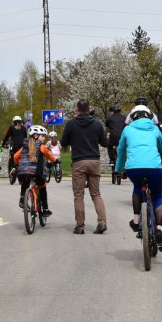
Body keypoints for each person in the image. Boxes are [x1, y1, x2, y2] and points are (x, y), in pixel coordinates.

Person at [115, 105, 162, 250]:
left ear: (132, 117)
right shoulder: (155, 129)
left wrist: (118, 169)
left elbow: (121, 151)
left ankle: (136, 221)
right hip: (154, 168)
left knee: (136, 188)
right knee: (157, 196)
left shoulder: (127, 129)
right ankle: (159, 228)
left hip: (134, 169)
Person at [60, 99, 108, 234]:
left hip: (79, 162)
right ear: (89, 108)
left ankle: (80, 226)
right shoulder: (97, 124)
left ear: (77, 109)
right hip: (94, 161)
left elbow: (63, 143)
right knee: (96, 194)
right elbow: (105, 143)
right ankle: (102, 222)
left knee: (79, 195)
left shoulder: (71, 124)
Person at [13, 125, 57, 215]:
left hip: (23, 172)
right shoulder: (42, 146)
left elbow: (15, 156)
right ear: (36, 135)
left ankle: (22, 197)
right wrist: (55, 161)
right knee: (42, 187)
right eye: (42, 135)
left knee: (26, 181)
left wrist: (18, 164)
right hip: (37, 173)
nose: (44, 137)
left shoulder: (24, 145)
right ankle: (45, 209)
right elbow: (50, 156)